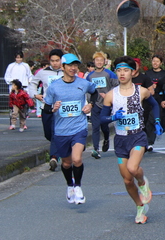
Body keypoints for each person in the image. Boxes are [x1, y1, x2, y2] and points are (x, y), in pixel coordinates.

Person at [101, 56, 161, 224]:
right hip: (120, 140)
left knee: (133, 168)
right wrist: (113, 116)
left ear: (133, 72)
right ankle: (140, 207)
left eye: (126, 70)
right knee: (127, 180)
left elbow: (155, 105)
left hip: (137, 137)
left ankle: (142, 182)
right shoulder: (111, 95)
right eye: (119, 70)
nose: (122, 73)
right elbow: (102, 119)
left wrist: (157, 121)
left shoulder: (141, 91)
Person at [43, 54, 98, 205]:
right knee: (66, 163)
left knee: (77, 159)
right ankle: (70, 186)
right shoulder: (54, 87)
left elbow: (95, 93)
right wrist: (53, 108)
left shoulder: (83, 83)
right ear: (63, 67)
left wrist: (90, 105)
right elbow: (46, 108)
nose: (73, 68)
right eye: (70, 65)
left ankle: (78, 187)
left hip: (79, 127)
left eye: (76, 65)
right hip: (61, 130)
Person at [30, 49, 64, 170]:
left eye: (57, 60)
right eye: (52, 61)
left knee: (56, 132)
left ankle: (54, 157)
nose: (55, 63)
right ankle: (58, 148)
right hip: (47, 106)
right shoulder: (43, 72)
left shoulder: (66, 72)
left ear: (62, 60)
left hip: (61, 107)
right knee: (48, 133)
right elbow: (32, 83)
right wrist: (35, 95)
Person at [85, 51, 119, 159]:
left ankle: (106, 139)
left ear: (104, 61)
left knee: (104, 125)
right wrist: (89, 102)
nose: (99, 62)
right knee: (95, 127)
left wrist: (109, 95)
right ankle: (95, 149)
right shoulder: (90, 76)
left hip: (106, 104)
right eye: (97, 60)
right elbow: (86, 90)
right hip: (94, 105)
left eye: (101, 60)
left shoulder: (110, 74)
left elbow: (117, 86)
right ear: (94, 62)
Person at [131, 58, 156, 151]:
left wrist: (142, 94)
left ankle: (148, 143)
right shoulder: (127, 78)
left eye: (135, 65)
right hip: (131, 107)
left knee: (146, 124)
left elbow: (151, 91)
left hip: (145, 106)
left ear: (139, 66)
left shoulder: (144, 78)